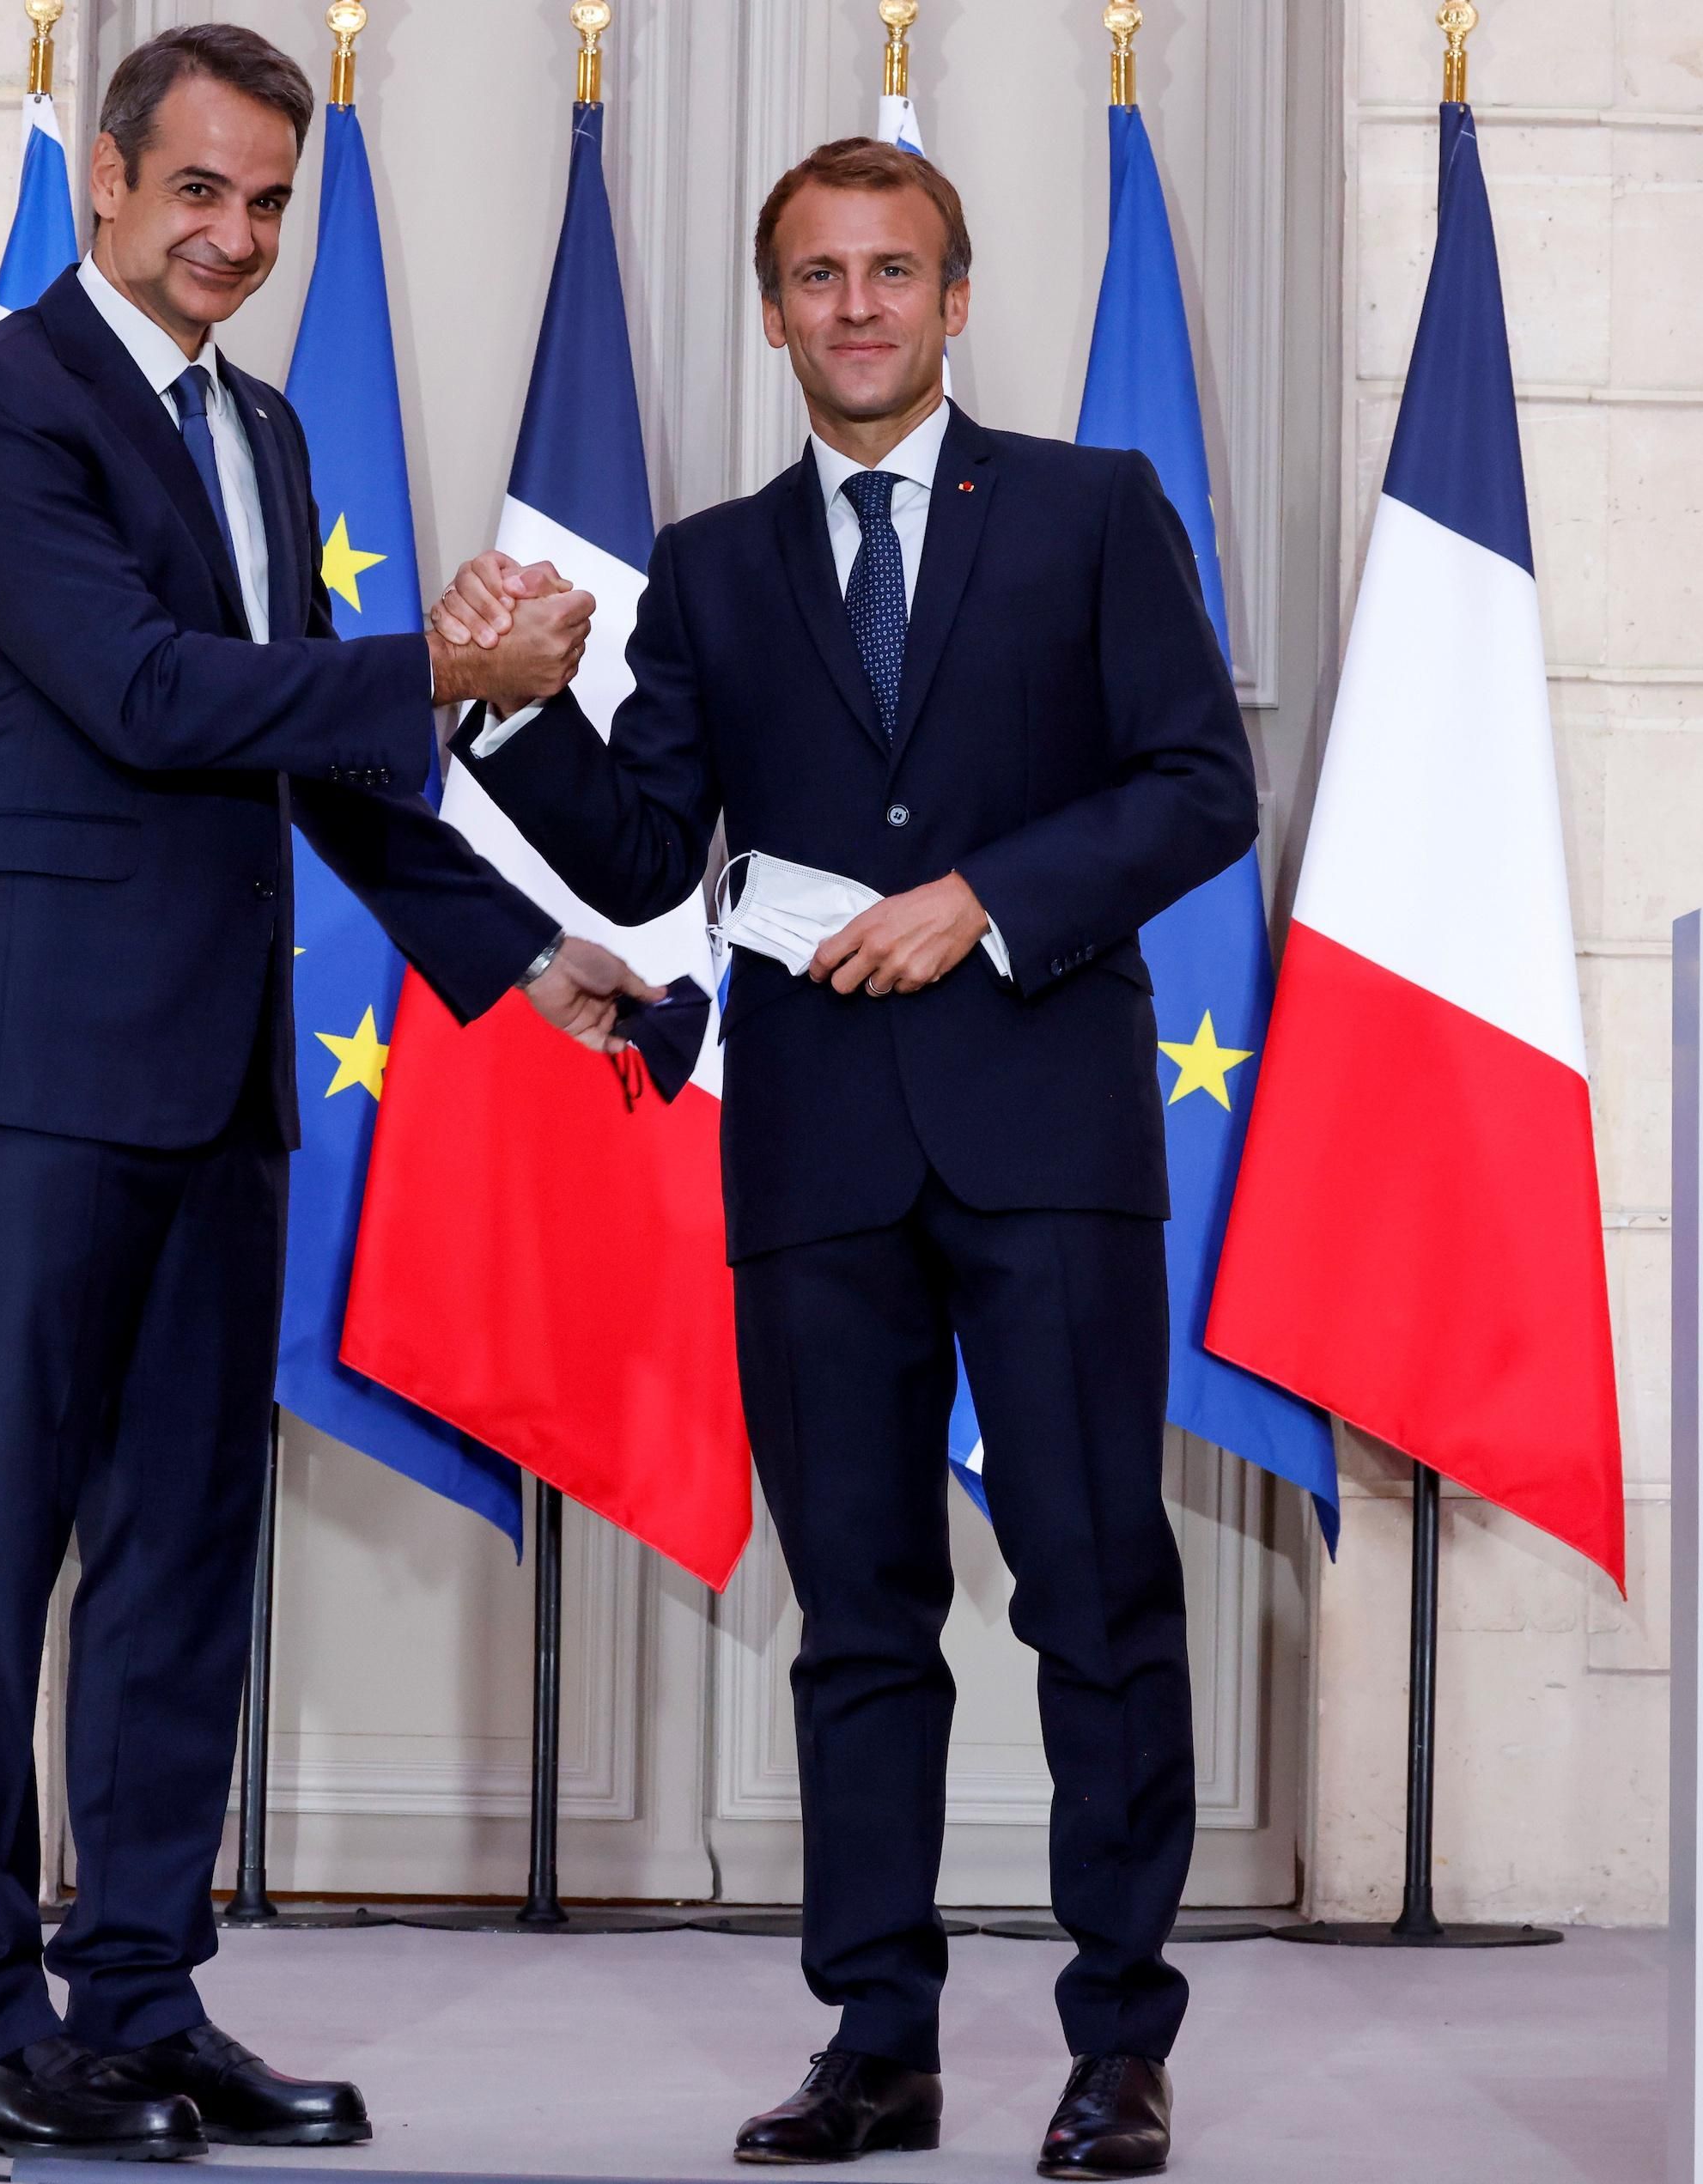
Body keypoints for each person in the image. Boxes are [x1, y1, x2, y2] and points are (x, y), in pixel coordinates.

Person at [437, 138, 1255, 2181]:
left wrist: (981, 896)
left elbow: (1197, 788)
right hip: (812, 1157)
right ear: (774, 309)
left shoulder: (1086, 509)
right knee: (860, 1619)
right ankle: (876, 2042)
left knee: (1095, 1594)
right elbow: (642, 850)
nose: (859, 306)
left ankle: (1115, 2046)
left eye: (894, 271)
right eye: (817, 276)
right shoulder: (710, 567)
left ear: (955, 300)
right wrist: (511, 706)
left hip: (1046, 1134)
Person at [0, 24, 643, 2163]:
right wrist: (436, 666)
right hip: (35, 1069)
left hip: (215, 1078)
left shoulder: (272, 433)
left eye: (265, 205)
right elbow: (144, 694)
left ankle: (135, 2001)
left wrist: (521, 960)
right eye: (196, 191)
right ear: (105, 185)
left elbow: (293, 754)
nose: (231, 236)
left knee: (182, 1555)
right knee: (0, 1540)